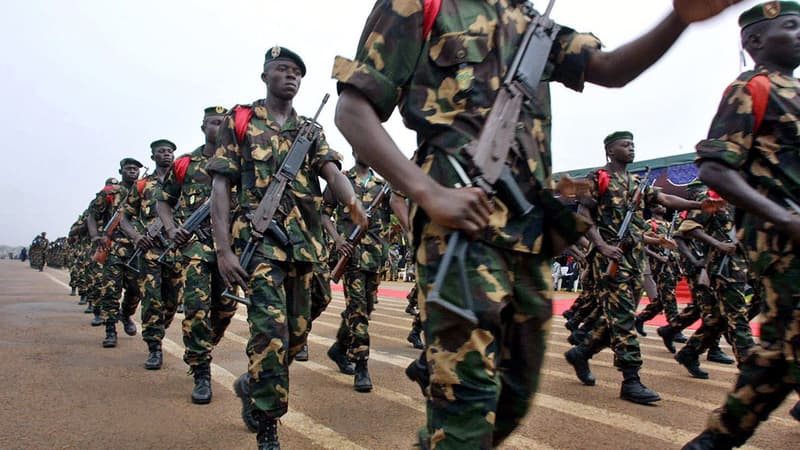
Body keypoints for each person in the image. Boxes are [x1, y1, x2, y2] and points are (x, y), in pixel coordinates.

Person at [332, 0, 742, 446]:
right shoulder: (424, 5)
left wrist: (680, 17)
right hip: (461, 232)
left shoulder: (533, 25)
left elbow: (609, 68)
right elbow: (353, 110)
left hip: (530, 234)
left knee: (514, 396)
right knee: (468, 401)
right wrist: (429, 193)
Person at [207, 46, 366, 449]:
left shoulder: (309, 131)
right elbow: (221, 186)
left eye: (296, 71)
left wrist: (352, 203)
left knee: (296, 335)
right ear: (265, 76)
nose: (290, 76)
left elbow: (332, 171)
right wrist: (223, 250)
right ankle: (267, 423)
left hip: (304, 247)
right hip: (259, 246)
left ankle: (253, 382)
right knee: (270, 333)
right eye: (282, 69)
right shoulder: (241, 120)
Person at [684, 2, 800, 447]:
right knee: (779, 348)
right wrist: (784, 218)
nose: (798, 33)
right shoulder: (750, 89)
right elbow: (714, 169)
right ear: (753, 41)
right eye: (788, 26)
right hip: (784, 244)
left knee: (778, 354)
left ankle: (713, 442)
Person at [564, 131, 715, 404]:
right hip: (611, 259)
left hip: (636, 260)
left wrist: (698, 204)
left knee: (620, 317)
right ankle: (631, 379)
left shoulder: (637, 182)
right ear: (610, 150)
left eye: (633, 144)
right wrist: (600, 245)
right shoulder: (595, 178)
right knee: (623, 319)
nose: (631, 148)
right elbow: (583, 216)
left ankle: (582, 352)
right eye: (625, 144)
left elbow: (666, 200)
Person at [157, 107, 239, 404]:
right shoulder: (186, 165)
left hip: (228, 248)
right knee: (196, 308)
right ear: (203, 127)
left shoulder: (238, 161)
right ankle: (201, 369)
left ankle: (204, 345)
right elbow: (164, 202)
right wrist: (171, 229)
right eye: (213, 122)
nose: (218, 127)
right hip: (194, 248)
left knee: (226, 308)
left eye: (223, 122)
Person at [322, 156, 409, 392]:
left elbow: (399, 210)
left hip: (375, 258)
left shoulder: (383, 186)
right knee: (358, 311)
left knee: (365, 308)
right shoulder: (340, 182)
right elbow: (323, 213)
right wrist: (338, 239)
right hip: (350, 257)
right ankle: (361, 364)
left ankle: (340, 347)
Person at [121, 139, 182, 371]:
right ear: (153, 157)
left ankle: (159, 329)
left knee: (173, 300)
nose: (166, 155)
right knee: (152, 299)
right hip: (150, 251)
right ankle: (154, 346)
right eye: (161, 152)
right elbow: (124, 219)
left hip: (176, 251)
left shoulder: (183, 181)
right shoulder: (143, 185)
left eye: (169, 151)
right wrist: (137, 237)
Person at [88, 158, 143, 348]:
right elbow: (92, 215)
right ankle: (110, 331)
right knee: (111, 291)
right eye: (128, 169)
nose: (132, 172)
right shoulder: (110, 193)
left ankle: (126, 314)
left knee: (137, 289)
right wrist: (95, 236)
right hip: (114, 248)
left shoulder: (144, 189)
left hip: (138, 248)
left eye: (135, 169)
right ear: (121, 171)